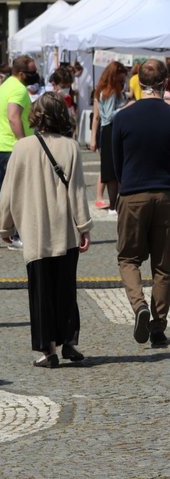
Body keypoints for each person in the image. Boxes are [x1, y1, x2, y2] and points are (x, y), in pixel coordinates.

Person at [0, 93, 92, 368]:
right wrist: (84, 227)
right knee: (66, 288)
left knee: (40, 291)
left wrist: (4, 226)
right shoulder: (71, 147)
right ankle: (69, 341)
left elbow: (9, 191)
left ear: (36, 116)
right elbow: (77, 191)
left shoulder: (22, 147)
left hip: (35, 231)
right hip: (66, 230)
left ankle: (47, 349)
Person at [111, 59, 170, 347]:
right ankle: (158, 326)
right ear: (165, 82)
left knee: (128, 258)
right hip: (167, 195)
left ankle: (139, 306)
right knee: (164, 265)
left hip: (133, 193)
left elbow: (116, 163)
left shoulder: (123, 117)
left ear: (138, 82)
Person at [0, 55, 37, 249]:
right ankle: (15, 236)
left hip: (0, 145)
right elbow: (14, 117)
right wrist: (24, 143)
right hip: (12, 147)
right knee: (21, 193)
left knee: (1, 192)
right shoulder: (19, 90)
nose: (35, 75)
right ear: (22, 73)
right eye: (32, 72)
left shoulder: (6, 84)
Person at [90, 61, 129, 212]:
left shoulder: (104, 89)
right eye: (121, 77)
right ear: (115, 75)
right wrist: (126, 106)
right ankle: (113, 205)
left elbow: (97, 117)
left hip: (107, 131)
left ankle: (114, 204)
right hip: (110, 130)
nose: (123, 80)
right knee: (112, 171)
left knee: (110, 170)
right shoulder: (110, 91)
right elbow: (108, 116)